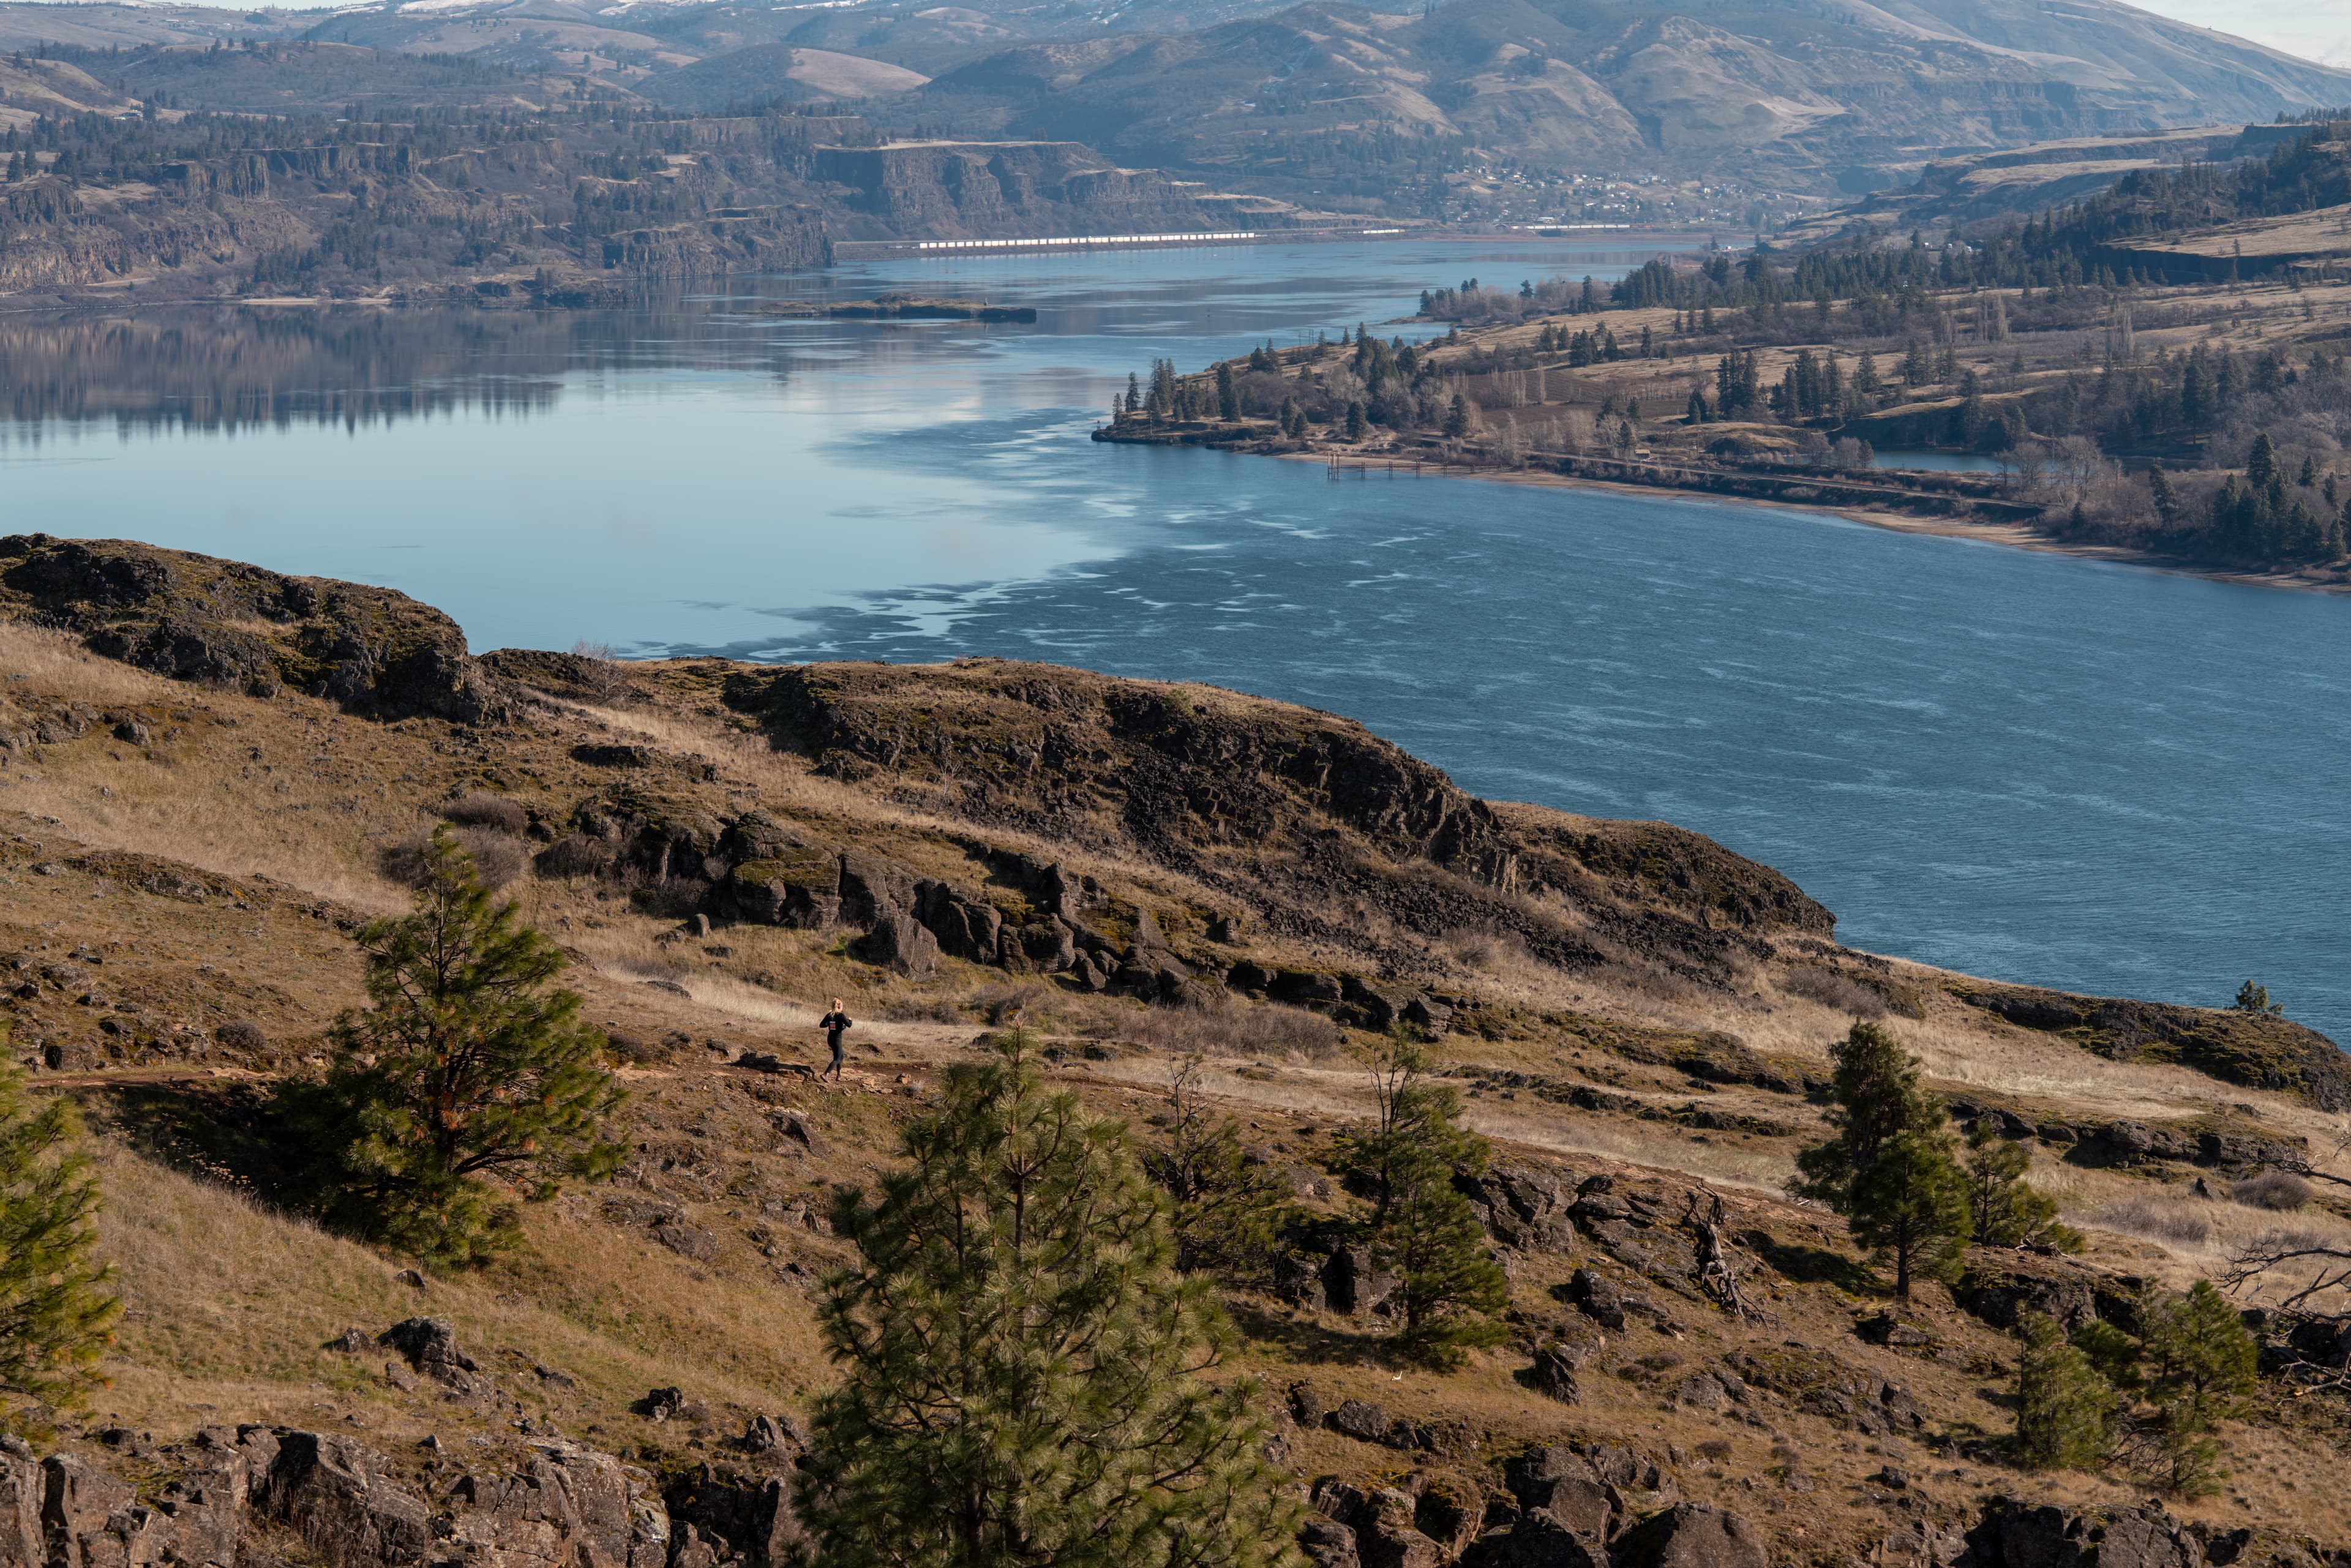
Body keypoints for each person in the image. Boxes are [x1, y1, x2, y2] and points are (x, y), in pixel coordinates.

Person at [819, 997, 853, 1079]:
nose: (842, 1007)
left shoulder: (829, 1015)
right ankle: (825, 1074)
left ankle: (839, 1075)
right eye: (841, 1005)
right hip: (837, 1039)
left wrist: (830, 1025)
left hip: (830, 1039)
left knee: (841, 1055)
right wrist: (850, 1020)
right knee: (838, 1058)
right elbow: (849, 1025)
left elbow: (822, 1025)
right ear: (839, 1006)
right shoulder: (840, 1015)